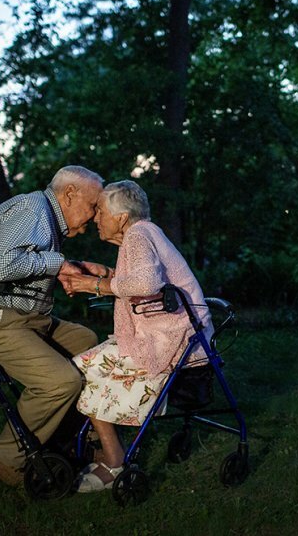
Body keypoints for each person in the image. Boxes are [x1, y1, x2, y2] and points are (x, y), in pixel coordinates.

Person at [0, 165, 109, 487]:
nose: (93, 216)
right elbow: (3, 265)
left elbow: (23, 264)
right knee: (61, 381)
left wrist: (71, 268)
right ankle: (4, 458)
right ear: (70, 194)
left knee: (87, 342)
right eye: (92, 206)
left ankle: (64, 438)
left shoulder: (45, 218)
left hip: (17, 317)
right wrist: (57, 262)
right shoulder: (33, 209)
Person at [60, 180, 213, 492]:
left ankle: (114, 460)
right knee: (87, 365)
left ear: (120, 217)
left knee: (80, 369)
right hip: (179, 338)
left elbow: (145, 284)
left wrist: (94, 286)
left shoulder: (138, 234)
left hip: (174, 344)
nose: (94, 218)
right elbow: (139, 277)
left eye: (100, 211)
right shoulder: (144, 232)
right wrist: (101, 274)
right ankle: (107, 449)